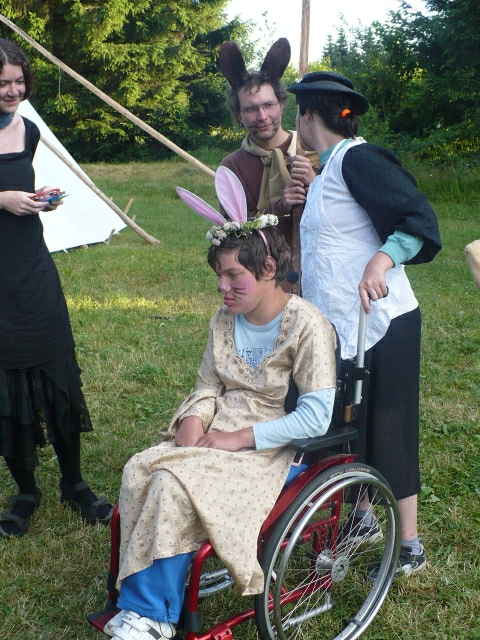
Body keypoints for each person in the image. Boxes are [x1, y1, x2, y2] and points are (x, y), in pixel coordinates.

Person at [103, 209, 337, 640]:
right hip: (219, 429)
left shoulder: (307, 325)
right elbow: (209, 383)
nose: (221, 287)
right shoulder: (224, 320)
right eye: (219, 276)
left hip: (274, 448)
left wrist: (239, 438)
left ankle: (152, 615)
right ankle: (141, 593)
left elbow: (316, 416)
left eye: (233, 276)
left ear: (269, 269)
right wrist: (193, 418)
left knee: (175, 483)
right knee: (140, 468)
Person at [286, 71, 442, 576]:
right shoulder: (328, 170)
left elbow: (417, 219)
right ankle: (363, 517)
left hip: (384, 323)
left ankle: (410, 546)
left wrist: (382, 259)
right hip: (342, 326)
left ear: (308, 115)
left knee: (388, 427)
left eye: (296, 113)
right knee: (349, 424)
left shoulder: (360, 159)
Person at [0, 39, 112, 538]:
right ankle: (26, 491)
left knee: (57, 371)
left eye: (19, 82)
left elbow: (21, 187)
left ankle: (74, 482)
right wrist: (2, 199)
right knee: (6, 383)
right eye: (3, 83)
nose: (14, 91)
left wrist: (39, 197)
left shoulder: (28, 130)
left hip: (33, 268)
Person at [218, 38, 320, 250]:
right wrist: (279, 207)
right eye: (251, 109)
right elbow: (234, 230)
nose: (262, 116)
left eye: (269, 105)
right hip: (264, 265)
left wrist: (317, 183)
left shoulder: (314, 151)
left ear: (281, 105)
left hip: (317, 261)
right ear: (238, 114)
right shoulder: (232, 167)